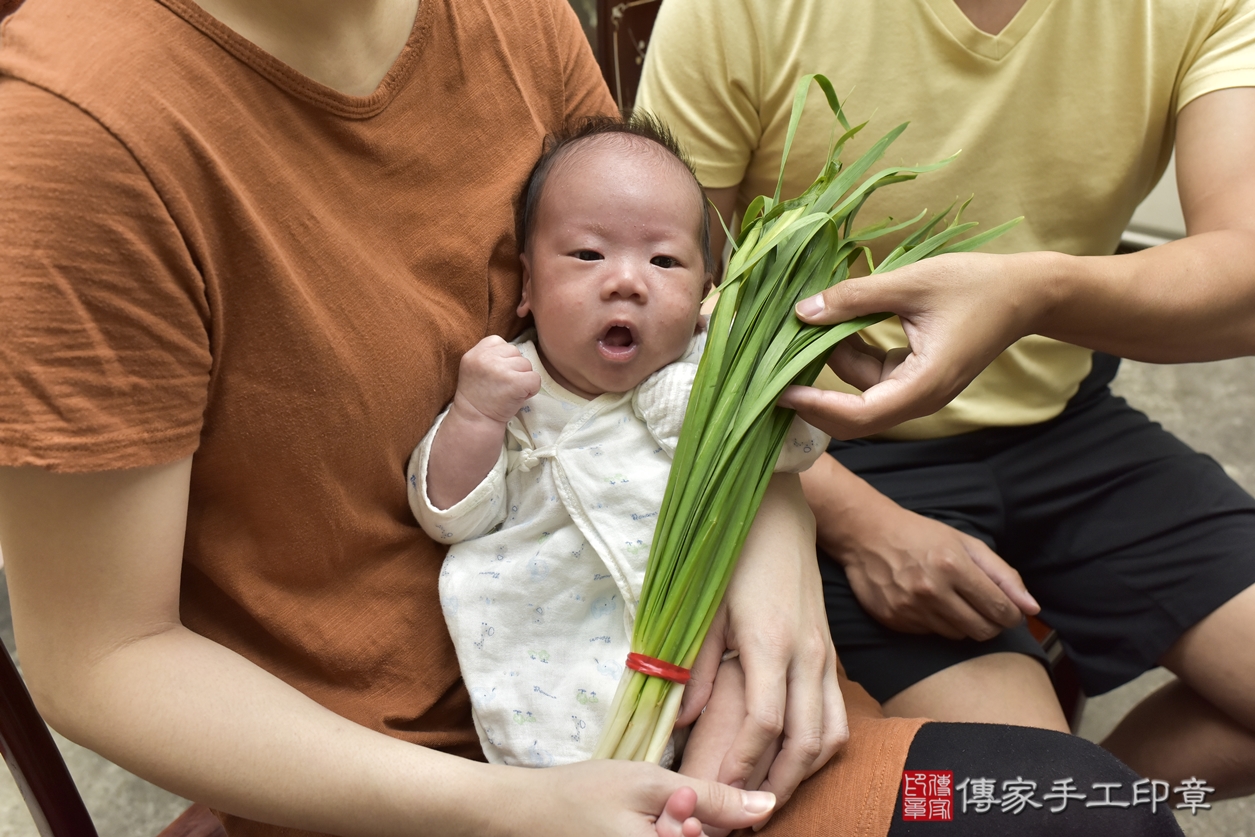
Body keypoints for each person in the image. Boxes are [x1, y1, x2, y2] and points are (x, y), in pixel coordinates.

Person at [0, 0, 1194, 834]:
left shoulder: (510, 15)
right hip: (428, 780)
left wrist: (769, 569)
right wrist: (507, 812)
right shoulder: (74, 139)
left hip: (687, 695)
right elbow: (103, 658)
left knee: (1085, 802)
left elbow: (697, 366)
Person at [638, 0, 1255, 800]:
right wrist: (860, 525)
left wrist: (1035, 289)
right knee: (1026, 798)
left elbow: (1241, 278)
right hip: (813, 453)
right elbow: (656, 323)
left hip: (1063, 422)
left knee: (1035, 802)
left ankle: (1080, 802)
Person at [407, 116, 828, 769]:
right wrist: (474, 415)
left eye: (663, 261)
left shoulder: (700, 383)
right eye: (586, 255)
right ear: (526, 285)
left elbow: (798, 447)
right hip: (555, 663)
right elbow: (449, 512)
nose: (627, 280)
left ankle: (702, 802)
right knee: (571, 770)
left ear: (703, 294)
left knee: (744, 719)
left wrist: (738, 391)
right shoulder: (515, 390)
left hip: (705, 652)